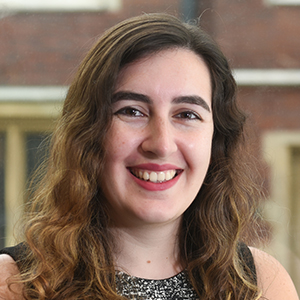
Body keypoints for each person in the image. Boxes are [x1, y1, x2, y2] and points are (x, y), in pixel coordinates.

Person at [0, 13, 298, 300]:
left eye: (186, 114)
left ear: (215, 140)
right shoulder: (12, 284)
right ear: (88, 131)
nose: (162, 144)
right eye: (132, 111)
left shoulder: (261, 284)